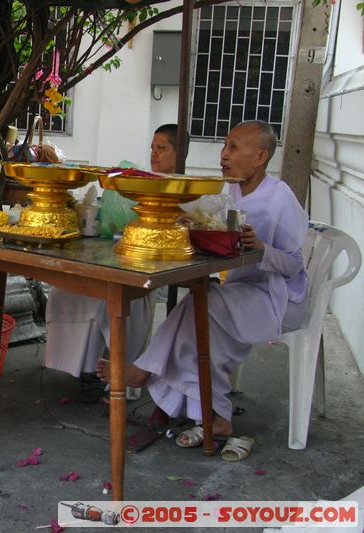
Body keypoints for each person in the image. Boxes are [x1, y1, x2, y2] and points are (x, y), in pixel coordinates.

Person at [95, 120, 309, 446]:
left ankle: (144, 372)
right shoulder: (232, 190)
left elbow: (294, 266)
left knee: (201, 307)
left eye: (234, 147)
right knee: (195, 315)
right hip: (241, 290)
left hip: (278, 297)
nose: (223, 154)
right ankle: (214, 418)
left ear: (260, 156)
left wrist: (262, 248)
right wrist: (194, 222)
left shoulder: (280, 198)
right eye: (224, 145)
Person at [44, 124, 187, 396]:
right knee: (62, 292)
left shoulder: (187, 192)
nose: (154, 154)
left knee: (106, 302)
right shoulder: (141, 184)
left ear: (179, 154)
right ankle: (84, 368)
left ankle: (115, 373)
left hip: (145, 273)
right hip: (120, 257)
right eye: (152, 147)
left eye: (162, 148)